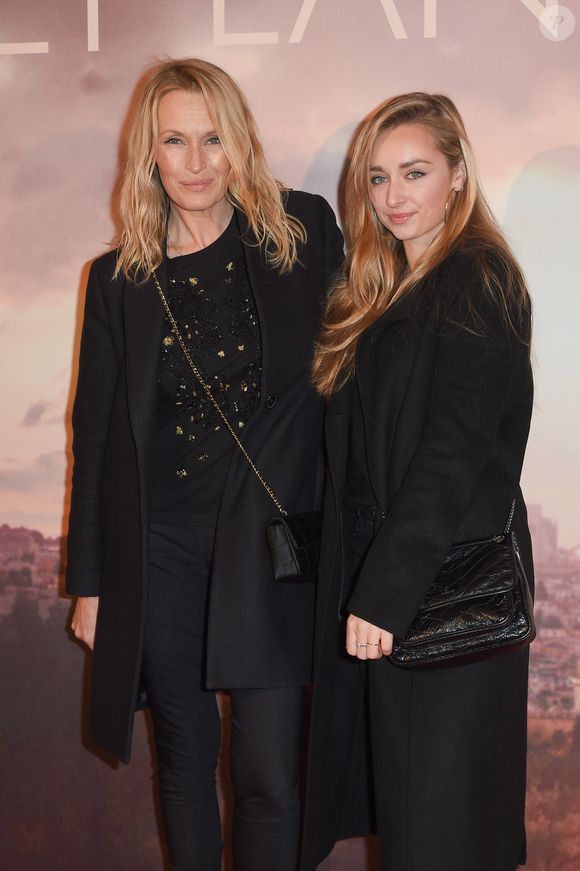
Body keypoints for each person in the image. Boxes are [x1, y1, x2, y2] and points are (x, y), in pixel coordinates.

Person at [67, 58, 342, 871]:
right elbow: (96, 436)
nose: (194, 162)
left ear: (240, 142)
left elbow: (354, 373)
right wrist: (92, 581)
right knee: (184, 763)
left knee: (266, 774)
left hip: (267, 548)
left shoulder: (301, 232)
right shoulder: (118, 280)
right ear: (147, 153)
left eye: (212, 138)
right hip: (164, 549)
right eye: (174, 140)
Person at [302, 93, 534, 871]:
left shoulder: (479, 278)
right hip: (405, 602)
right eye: (377, 178)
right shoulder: (385, 287)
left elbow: (451, 455)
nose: (394, 196)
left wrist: (382, 592)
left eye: (415, 172)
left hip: (445, 604)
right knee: (417, 830)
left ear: (458, 175)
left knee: (441, 836)